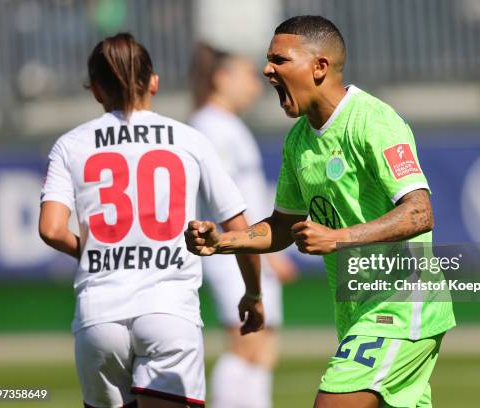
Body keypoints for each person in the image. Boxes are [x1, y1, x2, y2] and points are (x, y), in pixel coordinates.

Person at [185, 15, 456, 408]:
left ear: (319, 67)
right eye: (267, 59)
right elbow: (282, 225)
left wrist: (338, 237)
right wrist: (223, 241)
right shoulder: (298, 141)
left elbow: (419, 214)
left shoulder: (373, 122)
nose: (267, 70)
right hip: (356, 312)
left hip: (401, 308)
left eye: (279, 60)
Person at [38, 33, 264, 408]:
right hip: (169, 310)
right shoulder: (190, 140)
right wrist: (254, 294)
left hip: (100, 316)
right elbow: (241, 230)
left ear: (95, 90)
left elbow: (50, 229)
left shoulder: (71, 144)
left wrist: (95, 252)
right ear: (154, 83)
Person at [188, 43, 298, 408]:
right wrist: (260, 252)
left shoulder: (228, 126)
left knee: (262, 348)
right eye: (247, 75)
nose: (256, 84)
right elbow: (224, 202)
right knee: (246, 343)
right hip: (236, 253)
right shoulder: (211, 128)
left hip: (251, 248)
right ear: (221, 78)